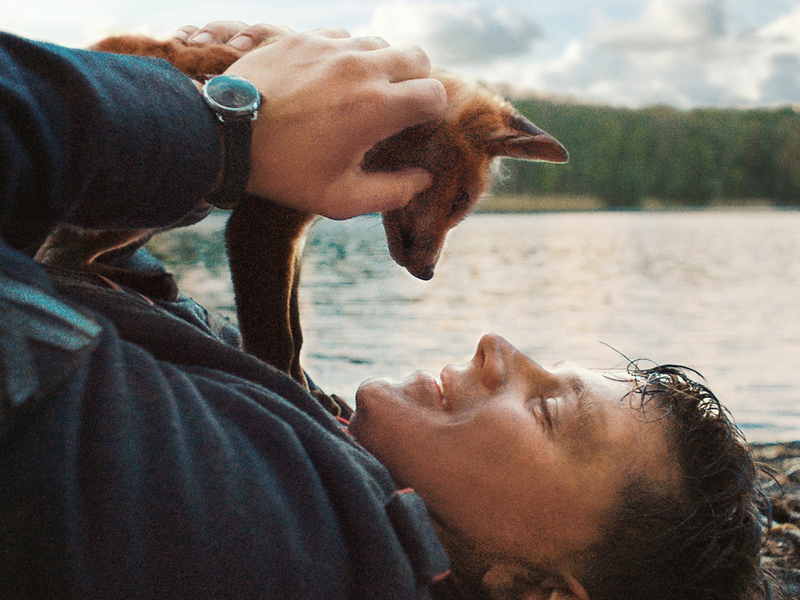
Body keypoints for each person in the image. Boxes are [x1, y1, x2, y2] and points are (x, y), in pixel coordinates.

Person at [0, 22, 766, 599]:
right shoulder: (336, 479)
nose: (496, 345)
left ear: (535, 591)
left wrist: (222, 128)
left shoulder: (274, 534)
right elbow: (90, 277)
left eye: (549, 412)